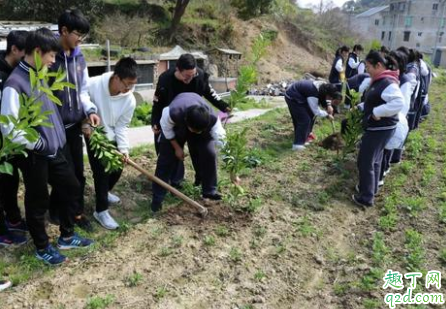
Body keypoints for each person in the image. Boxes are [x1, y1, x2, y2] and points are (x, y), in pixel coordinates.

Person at [0, 28, 93, 265]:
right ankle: (42, 247)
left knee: (71, 187)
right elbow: (8, 127)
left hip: (53, 149)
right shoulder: (15, 83)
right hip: (34, 154)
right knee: (37, 201)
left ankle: (66, 236)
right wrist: (37, 142)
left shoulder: (38, 74)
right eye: (51, 56)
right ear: (38, 52)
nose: (53, 61)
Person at [49, 9, 100, 232]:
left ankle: (76, 213)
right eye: (78, 34)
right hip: (54, 128)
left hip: (73, 126)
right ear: (64, 31)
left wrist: (89, 110)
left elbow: (83, 90)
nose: (80, 40)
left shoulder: (79, 56)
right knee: (63, 175)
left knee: (77, 173)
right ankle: (58, 211)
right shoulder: (50, 57)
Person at [151, 53, 231, 188]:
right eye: (186, 76)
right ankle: (175, 182)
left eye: (192, 75)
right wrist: (155, 121)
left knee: (201, 148)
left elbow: (210, 94)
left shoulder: (199, 76)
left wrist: (224, 107)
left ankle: (200, 179)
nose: (190, 79)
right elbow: (158, 102)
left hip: (195, 118)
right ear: (178, 69)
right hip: (174, 118)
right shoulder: (165, 79)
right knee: (170, 148)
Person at [84, 57, 137, 230]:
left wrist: (123, 149)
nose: (128, 88)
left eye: (132, 85)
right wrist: (85, 123)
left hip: (112, 135)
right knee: (101, 173)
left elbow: (122, 126)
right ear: (116, 77)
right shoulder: (94, 84)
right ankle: (101, 210)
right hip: (94, 133)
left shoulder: (129, 99)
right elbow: (81, 98)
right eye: (126, 84)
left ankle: (105, 193)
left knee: (118, 167)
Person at [151, 92, 226, 212]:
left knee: (209, 152)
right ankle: (157, 199)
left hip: (198, 124)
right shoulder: (171, 112)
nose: (196, 133)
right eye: (194, 130)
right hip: (176, 127)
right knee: (165, 160)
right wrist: (177, 148)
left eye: (199, 131)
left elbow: (223, 143)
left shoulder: (212, 119)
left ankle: (209, 191)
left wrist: (232, 169)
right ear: (186, 122)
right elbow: (167, 130)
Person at [352, 51, 405, 208]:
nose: (366, 69)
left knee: (365, 160)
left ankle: (365, 197)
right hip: (379, 128)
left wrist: (377, 112)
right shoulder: (377, 80)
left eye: (368, 67)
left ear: (378, 65)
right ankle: (371, 188)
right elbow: (374, 100)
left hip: (380, 128)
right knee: (375, 159)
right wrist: (362, 107)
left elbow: (398, 103)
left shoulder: (388, 82)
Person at [0, 30, 29, 235]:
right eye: (25, 53)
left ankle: (13, 218)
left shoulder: (18, 72)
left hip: (11, 139)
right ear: (14, 49)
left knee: (11, 181)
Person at [378, 50, 413, 184]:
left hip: (394, 120)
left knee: (386, 150)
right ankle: (382, 171)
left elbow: (403, 106)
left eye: (393, 60)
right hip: (386, 117)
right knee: (383, 151)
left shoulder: (404, 80)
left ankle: (380, 176)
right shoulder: (392, 77)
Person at [284, 80, 341, 151]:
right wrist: (327, 114)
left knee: (310, 116)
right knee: (304, 120)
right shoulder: (313, 94)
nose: (330, 99)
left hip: (301, 95)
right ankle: (297, 144)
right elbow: (316, 111)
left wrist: (329, 106)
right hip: (293, 96)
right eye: (329, 97)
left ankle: (306, 135)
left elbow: (327, 98)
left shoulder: (324, 86)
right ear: (326, 93)